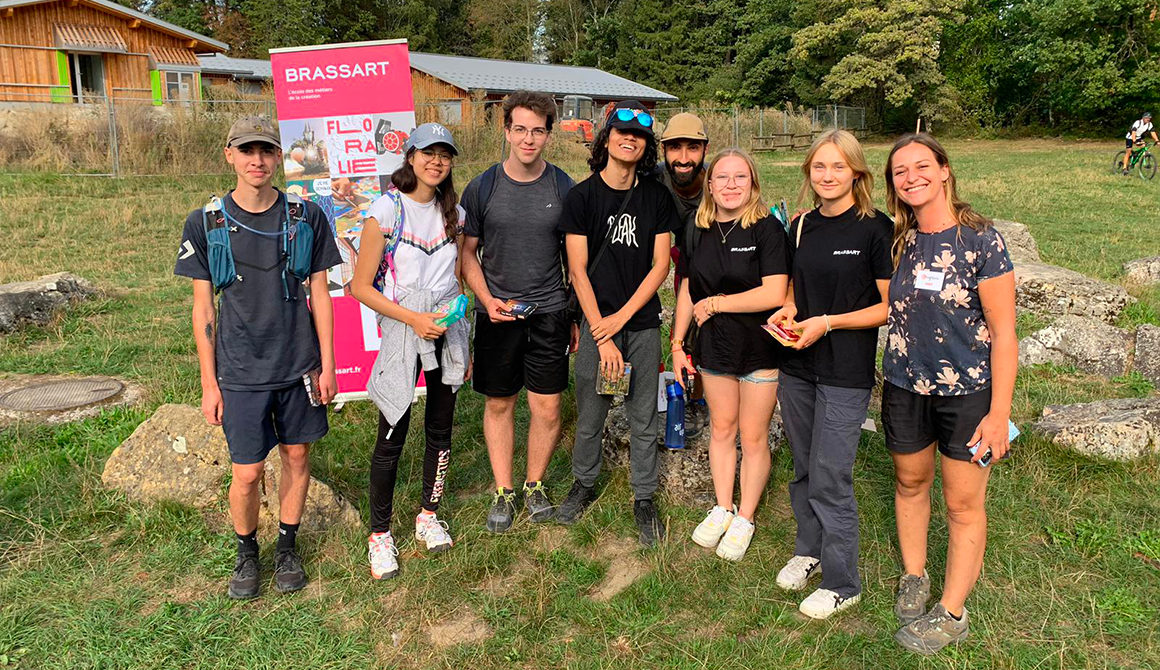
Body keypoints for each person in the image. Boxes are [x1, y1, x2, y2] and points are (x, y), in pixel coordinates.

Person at [174, 115, 341, 599]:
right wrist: (210, 382)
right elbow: (203, 307)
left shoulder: (305, 217)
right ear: (229, 155)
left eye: (266, 151)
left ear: (278, 157)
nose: (257, 160)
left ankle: (287, 545)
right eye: (247, 151)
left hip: (298, 363)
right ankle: (247, 551)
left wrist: (328, 366)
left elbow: (321, 295)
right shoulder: (206, 223)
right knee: (246, 473)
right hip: (241, 368)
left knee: (296, 454)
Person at [882, 133, 1016, 654]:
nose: (911, 177)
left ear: (943, 170)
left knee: (963, 504)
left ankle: (953, 610)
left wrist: (999, 412)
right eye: (900, 171)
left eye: (921, 166)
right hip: (903, 384)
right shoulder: (899, 238)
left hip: (968, 393)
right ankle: (915, 576)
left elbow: (1005, 333)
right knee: (910, 481)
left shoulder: (982, 239)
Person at [767, 130, 893, 619]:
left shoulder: (875, 228)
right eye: (819, 167)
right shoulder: (799, 226)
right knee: (803, 465)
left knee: (831, 473)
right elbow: (797, 291)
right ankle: (810, 550)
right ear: (808, 172)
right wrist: (789, 311)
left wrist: (829, 322)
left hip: (845, 370)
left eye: (838, 167)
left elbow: (887, 307)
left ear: (856, 172)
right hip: (797, 364)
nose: (827, 176)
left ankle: (844, 582)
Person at [350, 123, 471, 580]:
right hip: (405, 329)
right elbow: (360, 286)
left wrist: (456, 323)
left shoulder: (451, 211)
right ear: (411, 156)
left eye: (445, 154)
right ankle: (379, 534)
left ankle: (427, 515)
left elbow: (454, 273)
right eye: (428, 153)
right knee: (392, 429)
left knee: (440, 426)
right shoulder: (386, 209)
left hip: (447, 326)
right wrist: (412, 319)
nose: (436, 162)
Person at [556, 100, 679, 546]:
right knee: (591, 412)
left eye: (639, 135)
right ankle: (584, 484)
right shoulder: (581, 197)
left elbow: (660, 265)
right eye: (621, 131)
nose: (629, 139)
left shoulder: (657, 197)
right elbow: (578, 270)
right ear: (606, 139)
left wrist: (622, 321)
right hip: (595, 324)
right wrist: (601, 333)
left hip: (642, 324)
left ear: (645, 146)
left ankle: (643, 498)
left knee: (643, 416)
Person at [460, 91, 577, 532]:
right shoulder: (483, 187)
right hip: (497, 312)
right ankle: (504, 489)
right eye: (521, 129)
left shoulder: (564, 187)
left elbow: (575, 261)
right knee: (499, 404)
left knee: (547, 409)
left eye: (538, 131)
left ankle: (534, 483)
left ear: (549, 134)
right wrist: (487, 301)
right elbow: (467, 254)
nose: (529, 139)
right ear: (506, 131)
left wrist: (573, 315)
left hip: (549, 313)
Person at [669, 148, 789, 562]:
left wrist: (717, 303)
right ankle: (723, 507)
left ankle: (746, 518)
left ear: (753, 183)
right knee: (721, 429)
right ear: (710, 183)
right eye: (722, 177)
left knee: (753, 437)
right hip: (713, 347)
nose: (731, 185)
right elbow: (686, 288)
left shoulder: (767, 229)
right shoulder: (696, 228)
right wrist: (677, 343)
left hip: (759, 348)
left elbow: (773, 292)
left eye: (740, 177)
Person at [657, 112, 711, 438]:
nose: (683, 157)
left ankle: (710, 394)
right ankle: (689, 396)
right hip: (678, 258)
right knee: (684, 328)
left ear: (705, 149)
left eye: (693, 147)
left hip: (717, 259)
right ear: (664, 151)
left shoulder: (720, 181)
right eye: (675, 147)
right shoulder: (654, 179)